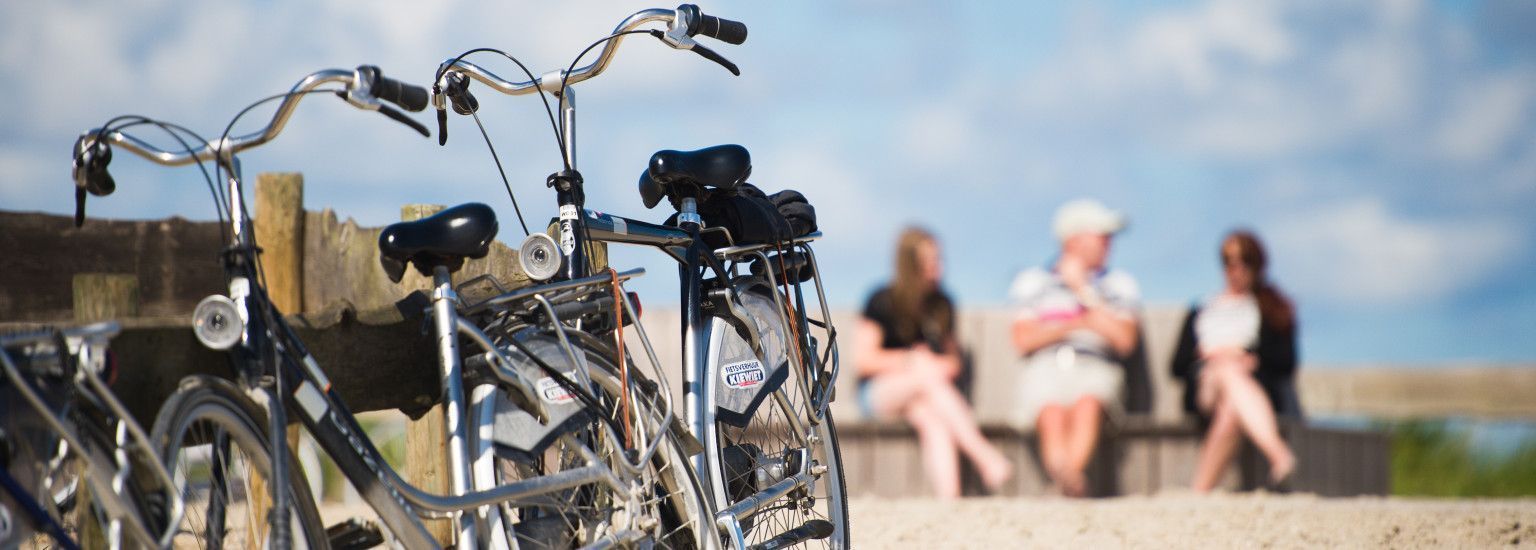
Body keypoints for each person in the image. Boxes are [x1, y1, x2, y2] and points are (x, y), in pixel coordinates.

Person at [853, 227, 1013, 499]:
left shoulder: (942, 304)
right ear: (910, 263)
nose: (938, 266)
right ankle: (984, 455)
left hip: (927, 395)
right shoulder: (881, 300)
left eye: (939, 258)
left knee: (930, 419)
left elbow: (953, 363)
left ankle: (949, 500)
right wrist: (911, 360)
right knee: (924, 374)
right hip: (879, 394)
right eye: (930, 260)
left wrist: (930, 365)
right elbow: (864, 361)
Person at [1008, 199, 1140, 497]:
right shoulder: (1033, 281)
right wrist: (1079, 324)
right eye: (1102, 235)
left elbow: (1124, 340)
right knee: (1051, 411)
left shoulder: (1118, 283)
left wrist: (1082, 290)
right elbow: (1022, 340)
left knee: (1088, 404)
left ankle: (1063, 483)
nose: (1110, 242)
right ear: (1074, 239)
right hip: (1045, 367)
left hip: (1096, 366)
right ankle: (1070, 481)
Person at [1171, 230, 1299, 492]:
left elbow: (1285, 361)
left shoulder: (1271, 307)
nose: (1236, 269)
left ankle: (1199, 490)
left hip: (1247, 388)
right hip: (1206, 385)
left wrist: (1253, 360)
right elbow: (1177, 364)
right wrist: (1211, 356)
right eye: (1229, 261)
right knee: (1227, 369)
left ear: (1257, 265)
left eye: (1245, 261)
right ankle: (1278, 454)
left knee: (1231, 408)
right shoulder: (1202, 308)